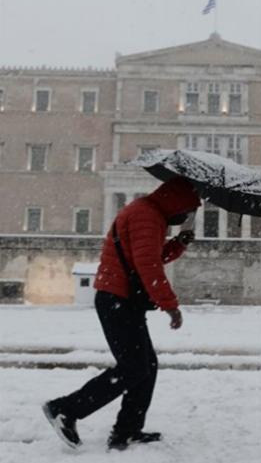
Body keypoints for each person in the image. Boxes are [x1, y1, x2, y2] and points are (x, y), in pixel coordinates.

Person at [42, 177, 201, 450]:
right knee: (134, 367)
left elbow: (145, 255)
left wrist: (178, 244)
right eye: (185, 211)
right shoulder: (147, 216)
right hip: (117, 299)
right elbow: (148, 265)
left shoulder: (149, 214)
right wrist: (170, 305)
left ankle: (127, 430)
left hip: (123, 299)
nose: (184, 216)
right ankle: (66, 409)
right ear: (176, 202)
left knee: (145, 366)